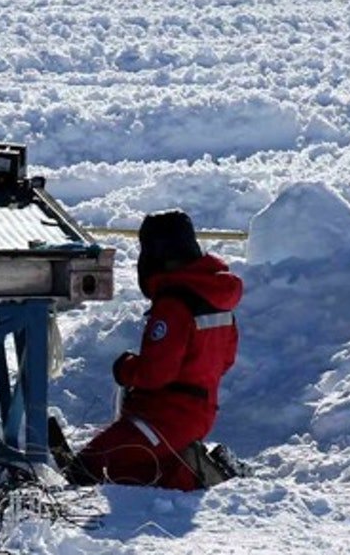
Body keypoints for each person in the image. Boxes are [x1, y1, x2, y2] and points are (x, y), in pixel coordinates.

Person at [52, 209, 242, 490]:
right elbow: (225, 360)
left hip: (163, 419)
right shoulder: (214, 298)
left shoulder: (174, 304)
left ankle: (199, 471)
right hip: (199, 412)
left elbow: (156, 374)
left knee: (89, 466)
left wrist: (126, 368)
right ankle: (187, 465)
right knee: (142, 468)